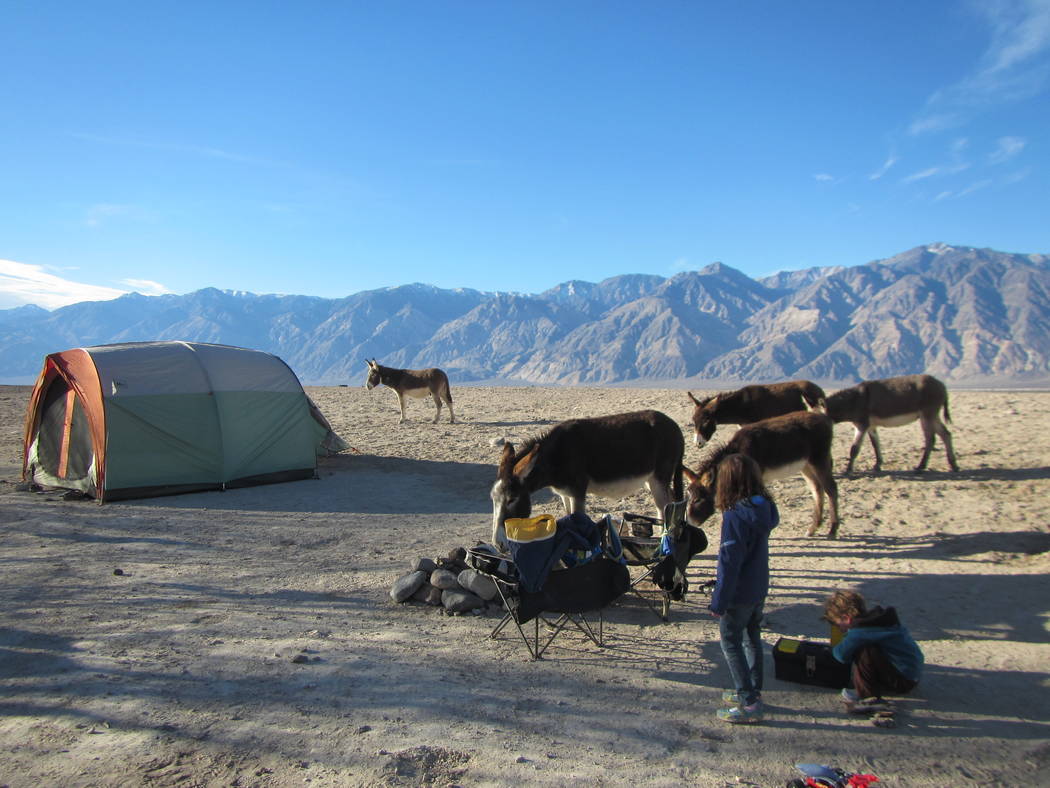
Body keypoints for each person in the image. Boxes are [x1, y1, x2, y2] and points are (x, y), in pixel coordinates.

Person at [709, 453, 779, 724]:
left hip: (739, 592)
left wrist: (719, 600)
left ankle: (748, 702)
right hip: (759, 586)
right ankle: (753, 690)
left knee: (731, 641)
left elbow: (729, 562)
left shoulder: (735, 515)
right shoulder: (763, 508)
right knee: (752, 637)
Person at [823, 589, 924, 708]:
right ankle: (876, 685)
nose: (839, 629)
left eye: (838, 624)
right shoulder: (880, 621)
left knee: (865, 651)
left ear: (846, 618)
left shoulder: (860, 633)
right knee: (871, 650)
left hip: (902, 681)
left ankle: (868, 695)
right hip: (911, 675)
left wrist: (843, 641)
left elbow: (841, 655)